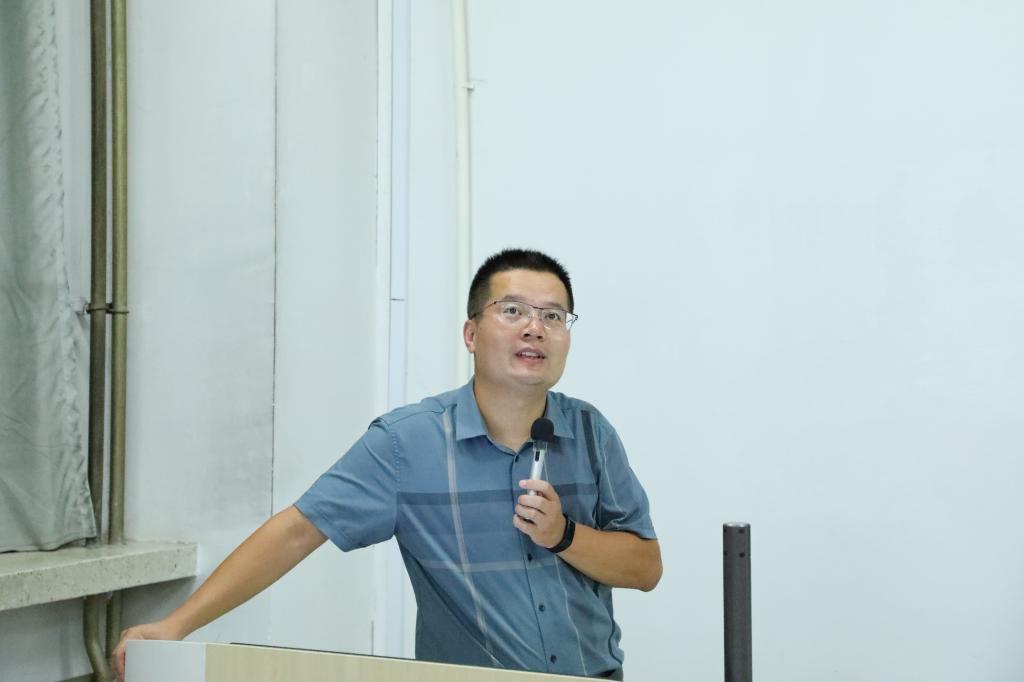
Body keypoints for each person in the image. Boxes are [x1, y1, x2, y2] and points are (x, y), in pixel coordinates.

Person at [113, 248, 661, 680]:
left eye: (553, 316)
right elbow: (298, 531)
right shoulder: (407, 443)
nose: (535, 328)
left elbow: (644, 568)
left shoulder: (590, 432)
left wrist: (564, 535)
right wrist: (177, 624)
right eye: (512, 310)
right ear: (471, 334)